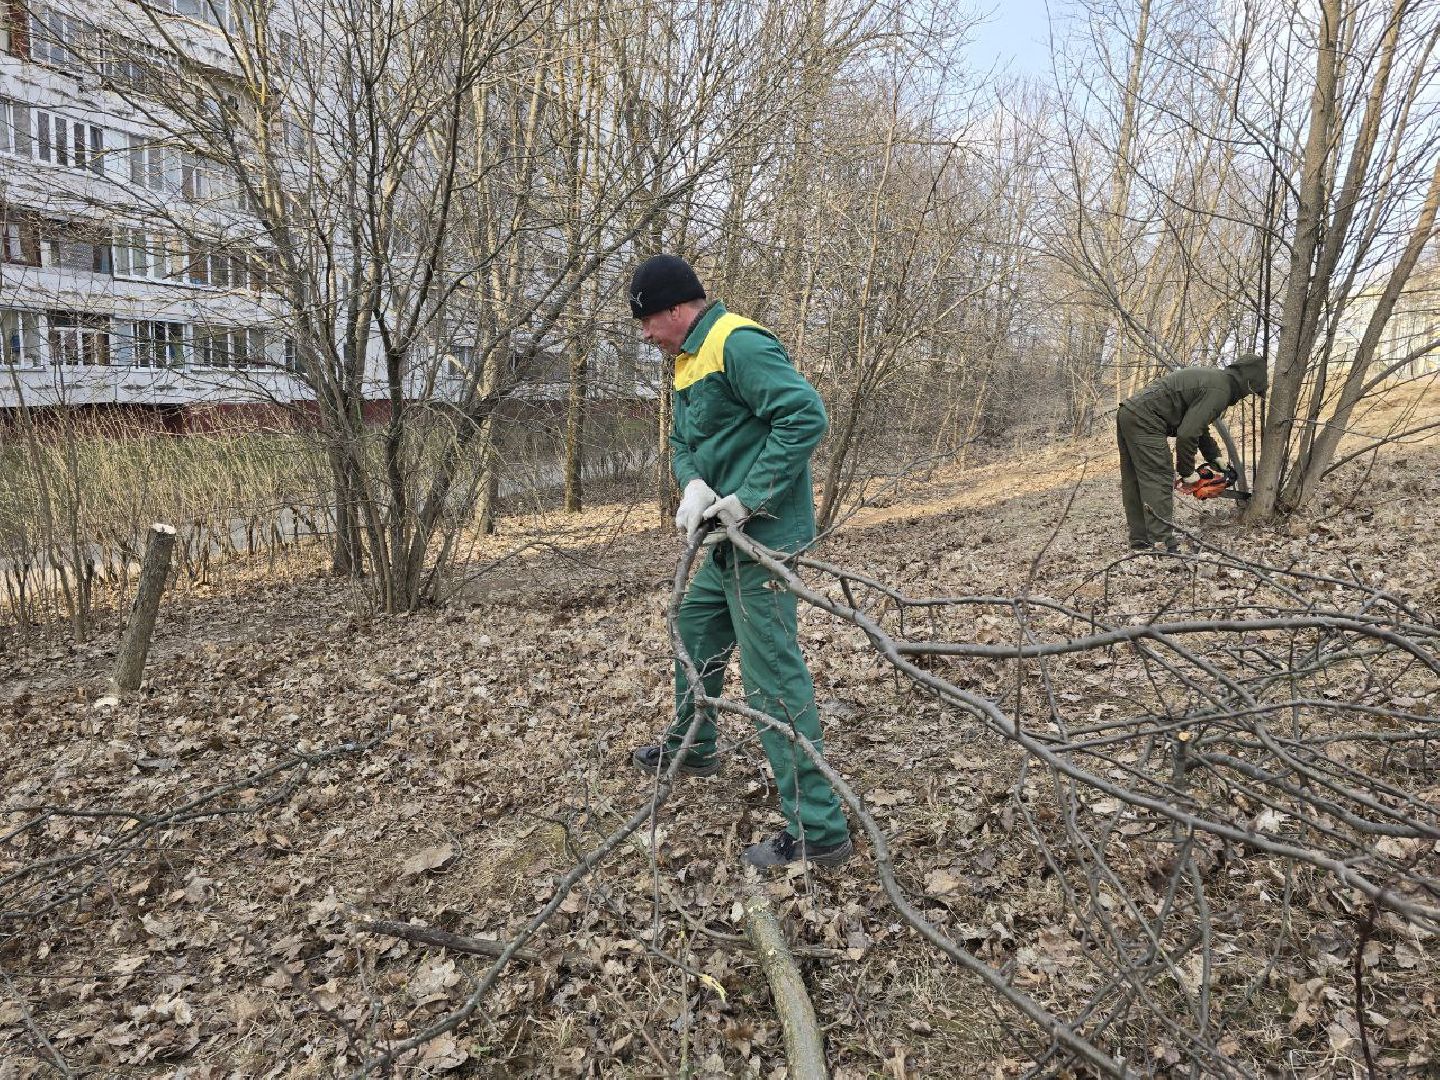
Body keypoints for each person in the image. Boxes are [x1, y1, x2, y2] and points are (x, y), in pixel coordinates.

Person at [626, 253, 852, 870]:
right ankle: (694, 748)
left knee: (771, 673)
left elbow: (806, 416)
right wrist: (693, 485)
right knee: (697, 628)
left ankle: (820, 830)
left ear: (677, 309)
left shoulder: (737, 343)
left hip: (766, 535)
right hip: (724, 536)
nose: (644, 334)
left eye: (648, 322)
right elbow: (681, 441)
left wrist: (747, 499)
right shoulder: (685, 361)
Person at [1116, 353, 1267, 553]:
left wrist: (1214, 457)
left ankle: (1141, 540)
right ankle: (1161, 545)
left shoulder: (1215, 381)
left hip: (1129, 412)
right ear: (1247, 383)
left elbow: (1198, 426)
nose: (1247, 396)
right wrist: (1187, 473)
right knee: (1158, 478)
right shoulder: (1220, 390)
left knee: (1135, 480)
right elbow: (1187, 433)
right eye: (1250, 392)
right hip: (1147, 420)